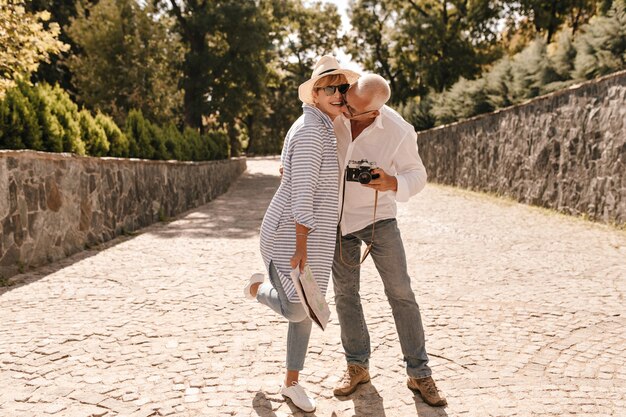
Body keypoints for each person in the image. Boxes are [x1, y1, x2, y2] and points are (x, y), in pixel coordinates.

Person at [243, 55, 360, 413]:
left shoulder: (324, 125)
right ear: (314, 94)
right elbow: (303, 193)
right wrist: (301, 245)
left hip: (315, 238)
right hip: (291, 236)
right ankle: (256, 289)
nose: (340, 94)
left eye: (343, 88)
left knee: (307, 309)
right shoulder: (312, 131)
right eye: (331, 89)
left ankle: (291, 384)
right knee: (296, 308)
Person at [331, 74, 447, 407]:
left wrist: (393, 181)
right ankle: (357, 366)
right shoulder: (335, 111)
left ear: (376, 110)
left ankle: (419, 371)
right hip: (338, 220)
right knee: (345, 295)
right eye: (346, 98)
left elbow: (418, 174)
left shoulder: (399, 130)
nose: (345, 108)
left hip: (378, 219)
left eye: (353, 108)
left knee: (401, 293)